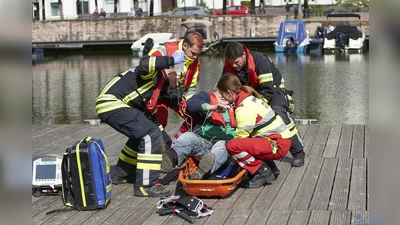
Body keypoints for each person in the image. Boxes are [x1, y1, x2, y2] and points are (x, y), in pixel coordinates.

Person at [95, 50, 186, 197]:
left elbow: (151, 121)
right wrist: (171, 60)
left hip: (116, 105)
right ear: (171, 73)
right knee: (150, 135)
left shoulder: (154, 90)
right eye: (179, 79)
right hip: (112, 103)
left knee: (145, 133)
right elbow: (144, 63)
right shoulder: (155, 74)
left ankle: (122, 173)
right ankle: (146, 185)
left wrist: (165, 140)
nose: (178, 85)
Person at [222, 42, 305, 167]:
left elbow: (267, 90)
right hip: (249, 95)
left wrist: (257, 107)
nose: (234, 65)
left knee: (278, 112)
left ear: (244, 54)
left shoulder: (260, 61)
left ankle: (298, 152)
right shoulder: (229, 66)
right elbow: (225, 85)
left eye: (237, 62)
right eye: (231, 62)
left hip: (273, 90)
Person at [216, 73, 292, 188]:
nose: (223, 99)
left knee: (232, 145)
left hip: (277, 145)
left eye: (223, 95)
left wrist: (232, 162)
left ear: (229, 93)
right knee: (248, 143)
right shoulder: (248, 98)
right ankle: (271, 168)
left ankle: (262, 171)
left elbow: (240, 139)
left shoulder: (243, 108)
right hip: (280, 141)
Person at [162, 89, 236, 179]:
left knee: (222, 146)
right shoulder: (206, 97)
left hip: (222, 149)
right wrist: (211, 107)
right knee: (188, 137)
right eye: (220, 94)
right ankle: (173, 157)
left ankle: (202, 172)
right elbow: (191, 103)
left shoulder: (238, 106)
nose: (222, 97)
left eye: (224, 95)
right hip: (204, 144)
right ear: (215, 90)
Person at [148, 32, 204, 141]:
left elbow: (191, 88)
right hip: (157, 95)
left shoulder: (195, 61)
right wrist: (164, 91)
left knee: (195, 116)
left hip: (177, 96)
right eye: (193, 53)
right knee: (161, 121)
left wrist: (192, 103)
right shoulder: (163, 51)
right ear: (185, 46)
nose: (195, 57)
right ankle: (157, 147)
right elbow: (146, 71)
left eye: (198, 54)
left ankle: (176, 144)